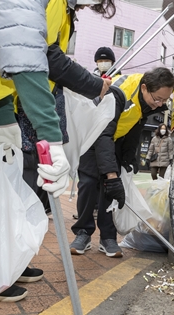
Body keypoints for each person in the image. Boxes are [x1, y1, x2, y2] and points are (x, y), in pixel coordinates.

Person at [0, 0, 116, 302]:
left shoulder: (62, 10)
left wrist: (4, 118)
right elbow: (26, 58)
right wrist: (51, 137)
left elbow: (5, 56)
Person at [70, 67, 174, 258]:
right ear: (144, 88)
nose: (159, 104)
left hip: (114, 138)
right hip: (92, 136)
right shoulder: (120, 94)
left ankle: (108, 237)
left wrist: (128, 158)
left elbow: (135, 128)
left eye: (164, 100)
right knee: (89, 183)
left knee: (111, 191)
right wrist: (111, 175)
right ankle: (83, 233)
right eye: (157, 99)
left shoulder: (146, 101)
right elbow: (103, 134)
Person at [73, 46, 117, 221]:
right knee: (86, 181)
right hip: (89, 134)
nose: (103, 63)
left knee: (105, 180)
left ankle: (101, 212)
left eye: (106, 60)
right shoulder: (89, 79)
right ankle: (84, 215)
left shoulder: (119, 79)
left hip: (109, 135)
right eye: (99, 60)